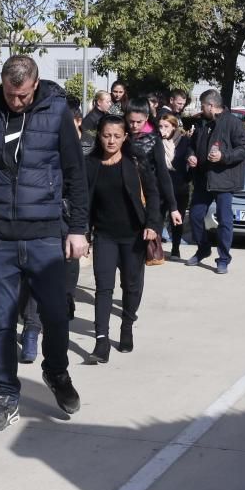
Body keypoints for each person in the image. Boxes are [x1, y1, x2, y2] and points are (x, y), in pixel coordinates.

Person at [0, 55, 88, 433]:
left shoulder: (57, 112)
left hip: (45, 234)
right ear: (3, 84)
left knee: (54, 314)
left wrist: (78, 228)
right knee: (0, 320)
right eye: (10, 94)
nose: (16, 101)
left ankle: (56, 372)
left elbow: (74, 173)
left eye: (23, 95)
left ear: (34, 84)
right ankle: (5, 396)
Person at [85, 115, 161, 364]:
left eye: (117, 136)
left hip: (133, 237)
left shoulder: (135, 162)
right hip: (104, 236)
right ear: (99, 135)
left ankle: (127, 325)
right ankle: (101, 340)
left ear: (125, 137)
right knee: (103, 288)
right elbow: (82, 202)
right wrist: (83, 233)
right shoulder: (90, 164)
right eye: (107, 135)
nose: (111, 140)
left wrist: (152, 224)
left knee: (131, 287)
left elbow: (152, 193)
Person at [17, 97, 85, 364]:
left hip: (68, 225)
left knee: (65, 283)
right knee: (35, 278)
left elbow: (84, 192)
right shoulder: (35, 145)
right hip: (39, 223)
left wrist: (81, 230)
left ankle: (57, 334)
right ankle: (32, 330)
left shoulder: (87, 147)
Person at [186, 89, 245, 275]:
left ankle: (223, 259)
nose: (201, 108)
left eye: (203, 105)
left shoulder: (233, 123)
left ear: (211, 106)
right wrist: (191, 156)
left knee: (224, 220)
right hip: (202, 180)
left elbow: (243, 149)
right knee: (196, 216)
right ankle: (203, 249)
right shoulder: (201, 123)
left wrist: (223, 156)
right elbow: (191, 146)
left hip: (224, 181)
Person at [123, 98, 180, 243]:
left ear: (146, 118)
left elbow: (163, 174)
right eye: (131, 121)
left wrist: (173, 206)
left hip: (146, 197)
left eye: (138, 122)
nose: (134, 125)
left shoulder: (154, 140)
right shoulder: (121, 135)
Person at [158, 113, 192, 259]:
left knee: (177, 220)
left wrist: (187, 179)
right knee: (157, 218)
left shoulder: (184, 141)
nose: (162, 129)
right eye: (160, 126)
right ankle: (155, 249)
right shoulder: (156, 141)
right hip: (160, 186)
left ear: (174, 127)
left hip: (179, 186)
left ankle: (175, 248)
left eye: (166, 126)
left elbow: (190, 157)